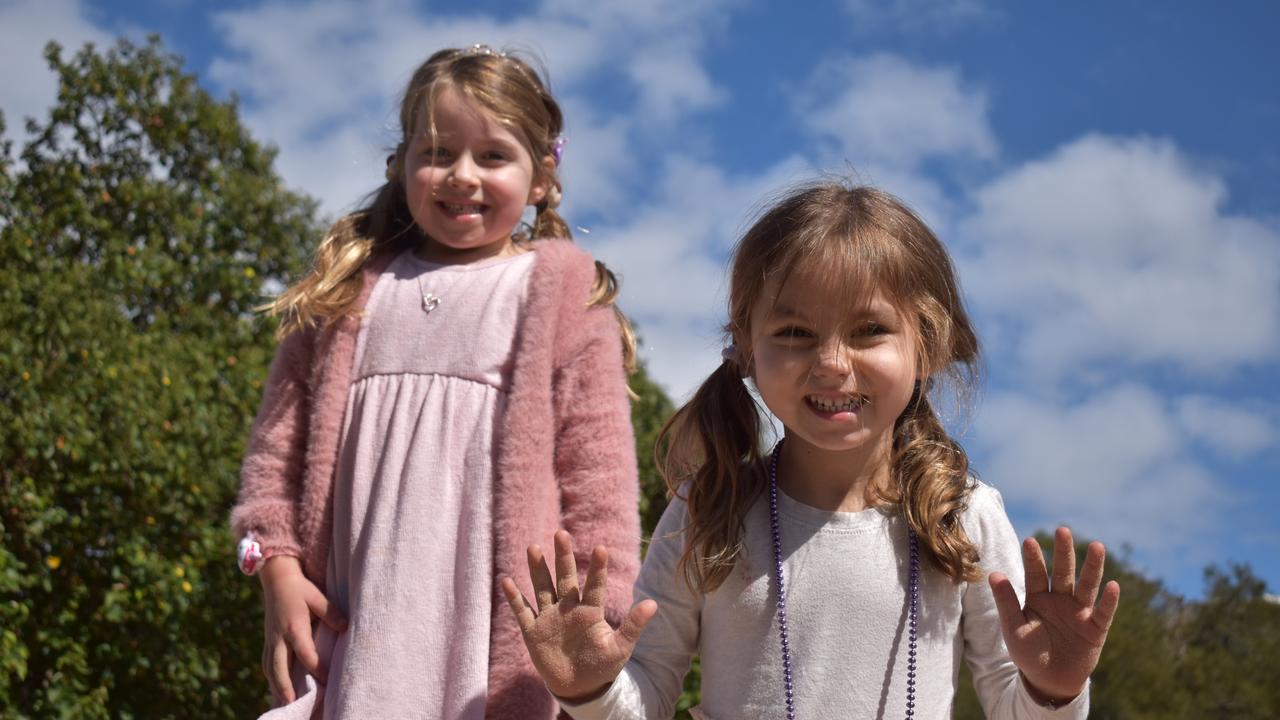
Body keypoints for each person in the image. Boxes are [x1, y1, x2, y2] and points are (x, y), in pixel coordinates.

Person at [502, 182, 1121, 718]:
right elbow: (646, 697)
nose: (830, 363)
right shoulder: (710, 507)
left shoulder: (963, 517)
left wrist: (1054, 687)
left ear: (927, 344)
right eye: (794, 333)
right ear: (746, 349)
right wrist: (589, 688)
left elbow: (1014, 707)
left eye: (868, 331)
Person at [230, 44, 641, 720]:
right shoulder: (344, 300)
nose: (462, 175)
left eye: (492, 156)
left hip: (489, 651)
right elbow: (275, 457)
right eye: (437, 152)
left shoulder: (562, 300)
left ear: (540, 178)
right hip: (357, 634)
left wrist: (595, 613)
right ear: (402, 166)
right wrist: (274, 564)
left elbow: (599, 482)